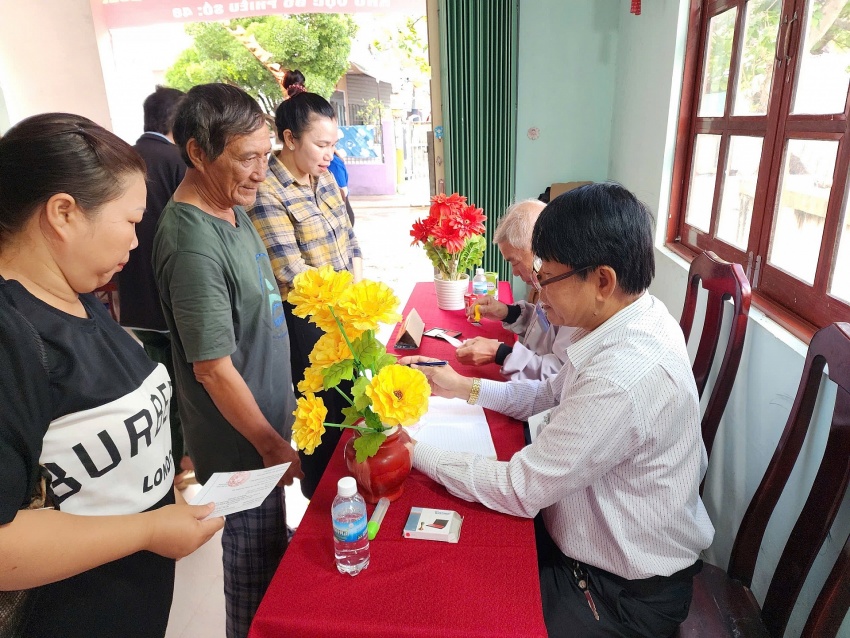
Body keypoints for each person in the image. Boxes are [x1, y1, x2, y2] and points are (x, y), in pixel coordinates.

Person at [400, 183, 713, 638]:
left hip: (620, 593)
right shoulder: (630, 318)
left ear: (602, 280)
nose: (538, 293)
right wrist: (461, 387)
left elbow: (522, 486)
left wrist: (416, 452)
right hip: (590, 544)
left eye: (547, 278)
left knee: (456, 603)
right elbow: (544, 396)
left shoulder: (620, 377)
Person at [0, 112, 223, 638]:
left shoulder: (79, 297)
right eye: (129, 222)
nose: (135, 242)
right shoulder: (13, 337)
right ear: (63, 213)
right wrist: (147, 529)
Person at [151, 83, 302, 638]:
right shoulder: (192, 241)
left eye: (266, 156)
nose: (261, 171)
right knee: (252, 579)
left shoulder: (232, 210)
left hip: (263, 432)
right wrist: (269, 444)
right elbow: (212, 367)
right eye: (247, 157)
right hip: (241, 448)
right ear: (196, 152)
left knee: (271, 556)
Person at [247, 91, 362, 500]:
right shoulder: (269, 192)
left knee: (353, 405)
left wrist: (359, 296)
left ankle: (354, 483)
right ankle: (323, 500)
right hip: (308, 325)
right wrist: (347, 301)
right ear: (290, 138)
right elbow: (291, 273)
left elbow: (349, 239)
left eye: (334, 144)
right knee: (321, 414)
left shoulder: (324, 176)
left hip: (346, 312)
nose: (330, 154)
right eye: (322, 144)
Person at [118, 85, 193, 485]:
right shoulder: (174, 159)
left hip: (136, 301)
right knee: (182, 388)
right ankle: (181, 464)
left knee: (157, 385)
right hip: (168, 299)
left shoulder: (127, 159)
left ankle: (165, 461)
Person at [457, 199, 571, 380]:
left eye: (515, 262)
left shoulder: (573, 297)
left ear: (539, 251)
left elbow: (558, 377)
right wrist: (508, 313)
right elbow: (544, 328)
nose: (514, 272)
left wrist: (501, 353)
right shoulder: (547, 283)